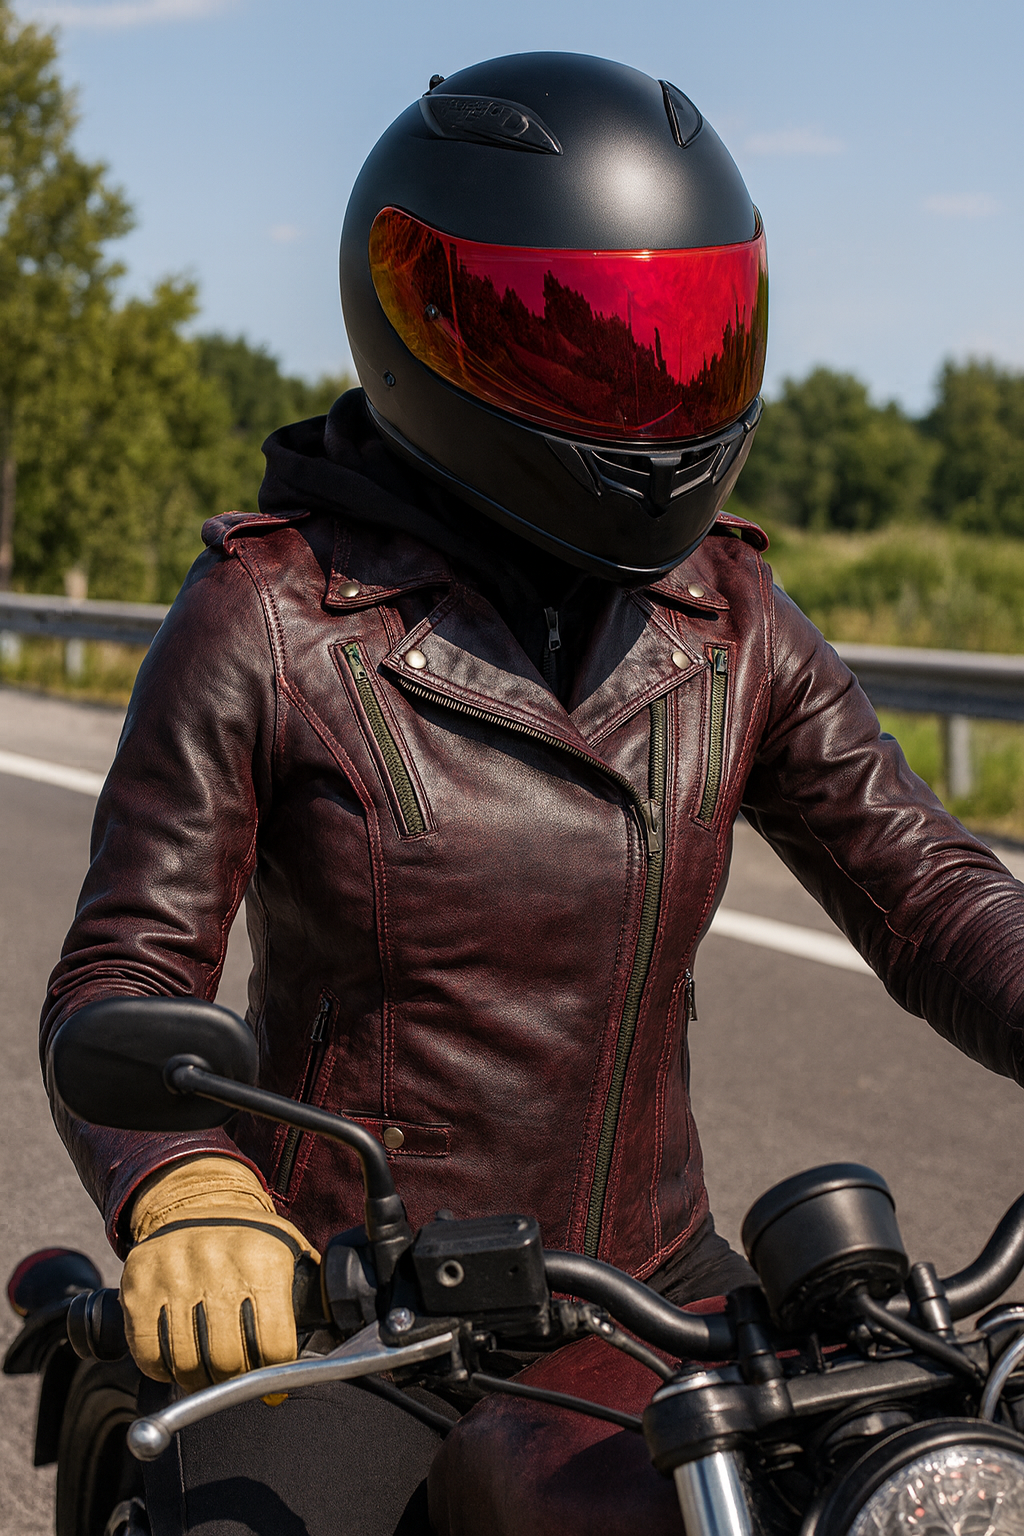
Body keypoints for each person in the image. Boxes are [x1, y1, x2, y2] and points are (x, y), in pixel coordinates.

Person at [40, 51, 1024, 1536]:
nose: (649, 391)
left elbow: (928, 885)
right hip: (354, 1307)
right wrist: (186, 1190)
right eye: (583, 339)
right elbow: (124, 970)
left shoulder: (732, 613)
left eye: (686, 336)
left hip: (655, 1285)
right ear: (428, 324)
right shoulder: (272, 617)